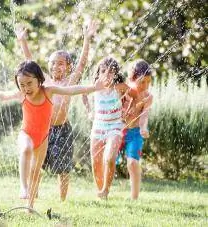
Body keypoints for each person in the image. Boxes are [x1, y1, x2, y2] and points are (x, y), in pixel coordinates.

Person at [0, 60, 104, 209]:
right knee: (26, 148)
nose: (26, 88)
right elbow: (3, 95)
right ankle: (23, 186)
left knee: (35, 172)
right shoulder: (22, 95)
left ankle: (30, 206)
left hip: (43, 139)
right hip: (26, 134)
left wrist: (94, 87)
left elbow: (72, 90)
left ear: (39, 80)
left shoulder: (48, 91)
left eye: (29, 83)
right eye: (22, 84)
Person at [15, 20, 98, 201]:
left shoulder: (70, 82)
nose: (55, 67)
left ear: (68, 66)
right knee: (35, 166)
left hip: (63, 128)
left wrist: (87, 39)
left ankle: (62, 200)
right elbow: (30, 63)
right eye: (52, 63)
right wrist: (23, 42)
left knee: (64, 168)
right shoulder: (44, 82)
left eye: (60, 63)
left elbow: (82, 63)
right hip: (42, 130)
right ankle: (32, 196)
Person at [82, 56, 136, 199]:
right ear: (98, 73)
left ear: (116, 74)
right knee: (96, 162)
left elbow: (135, 95)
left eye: (111, 71)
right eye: (103, 71)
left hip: (115, 126)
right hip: (98, 127)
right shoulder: (95, 88)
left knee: (109, 158)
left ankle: (106, 189)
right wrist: (89, 111)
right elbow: (83, 94)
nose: (107, 74)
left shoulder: (119, 88)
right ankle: (101, 192)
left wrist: (128, 110)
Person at [121, 59, 153, 200]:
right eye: (142, 82)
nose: (145, 85)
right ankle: (103, 191)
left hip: (135, 133)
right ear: (131, 79)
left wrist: (143, 128)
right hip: (118, 131)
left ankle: (134, 197)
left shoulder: (147, 97)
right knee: (107, 159)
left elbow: (144, 115)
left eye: (148, 81)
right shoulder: (124, 91)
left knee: (132, 163)